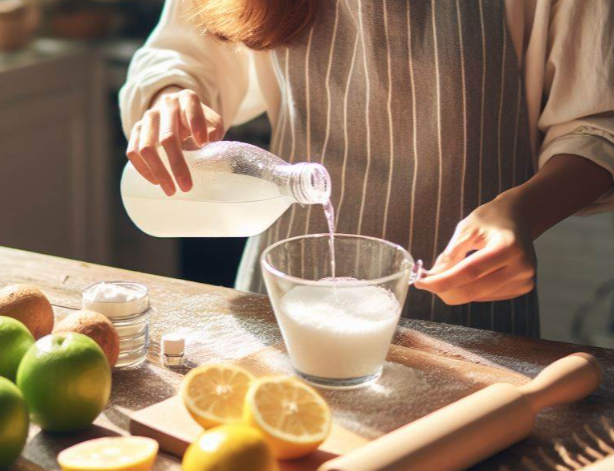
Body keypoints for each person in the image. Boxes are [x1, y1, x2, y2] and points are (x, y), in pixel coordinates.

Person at [119, 0, 614, 336]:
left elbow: (596, 125)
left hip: (473, 305)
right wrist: (171, 98)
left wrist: (522, 211)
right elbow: (181, 50)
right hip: (284, 299)